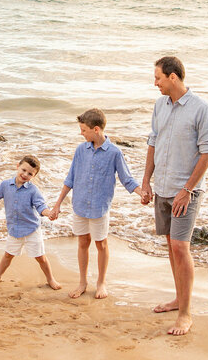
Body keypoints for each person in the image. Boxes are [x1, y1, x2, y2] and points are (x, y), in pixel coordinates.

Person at [138, 55, 208, 336]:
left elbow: (207, 153)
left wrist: (187, 190)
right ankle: (178, 299)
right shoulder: (160, 105)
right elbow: (153, 143)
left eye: (158, 77)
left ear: (173, 77)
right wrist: (146, 181)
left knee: (181, 248)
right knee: (171, 246)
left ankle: (185, 314)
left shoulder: (201, 109)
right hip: (163, 187)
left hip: (187, 191)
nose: (154, 82)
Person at [47, 108, 146, 299]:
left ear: (97, 129)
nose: (81, 133)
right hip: (80, 205)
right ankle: (83, 282)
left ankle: (101, 282)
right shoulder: (80, 150)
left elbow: (127, 179)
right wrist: (58, 204)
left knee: (101, 244)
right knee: (83, 242)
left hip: (100, 207)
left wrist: (141, 193)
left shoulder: (114, 153)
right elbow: (70, 179)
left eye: (84, 130)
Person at [0, 157, 62, 290]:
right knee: (8, 255)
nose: (25, 175)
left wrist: (49, 213)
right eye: (23, 170)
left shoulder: (33, 190)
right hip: (14, 229)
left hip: (31, 229)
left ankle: (51, 279)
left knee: (40, 257)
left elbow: (41, 206)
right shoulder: (6, 185)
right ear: (18, 166)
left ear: (34, 176)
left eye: (30, 174)